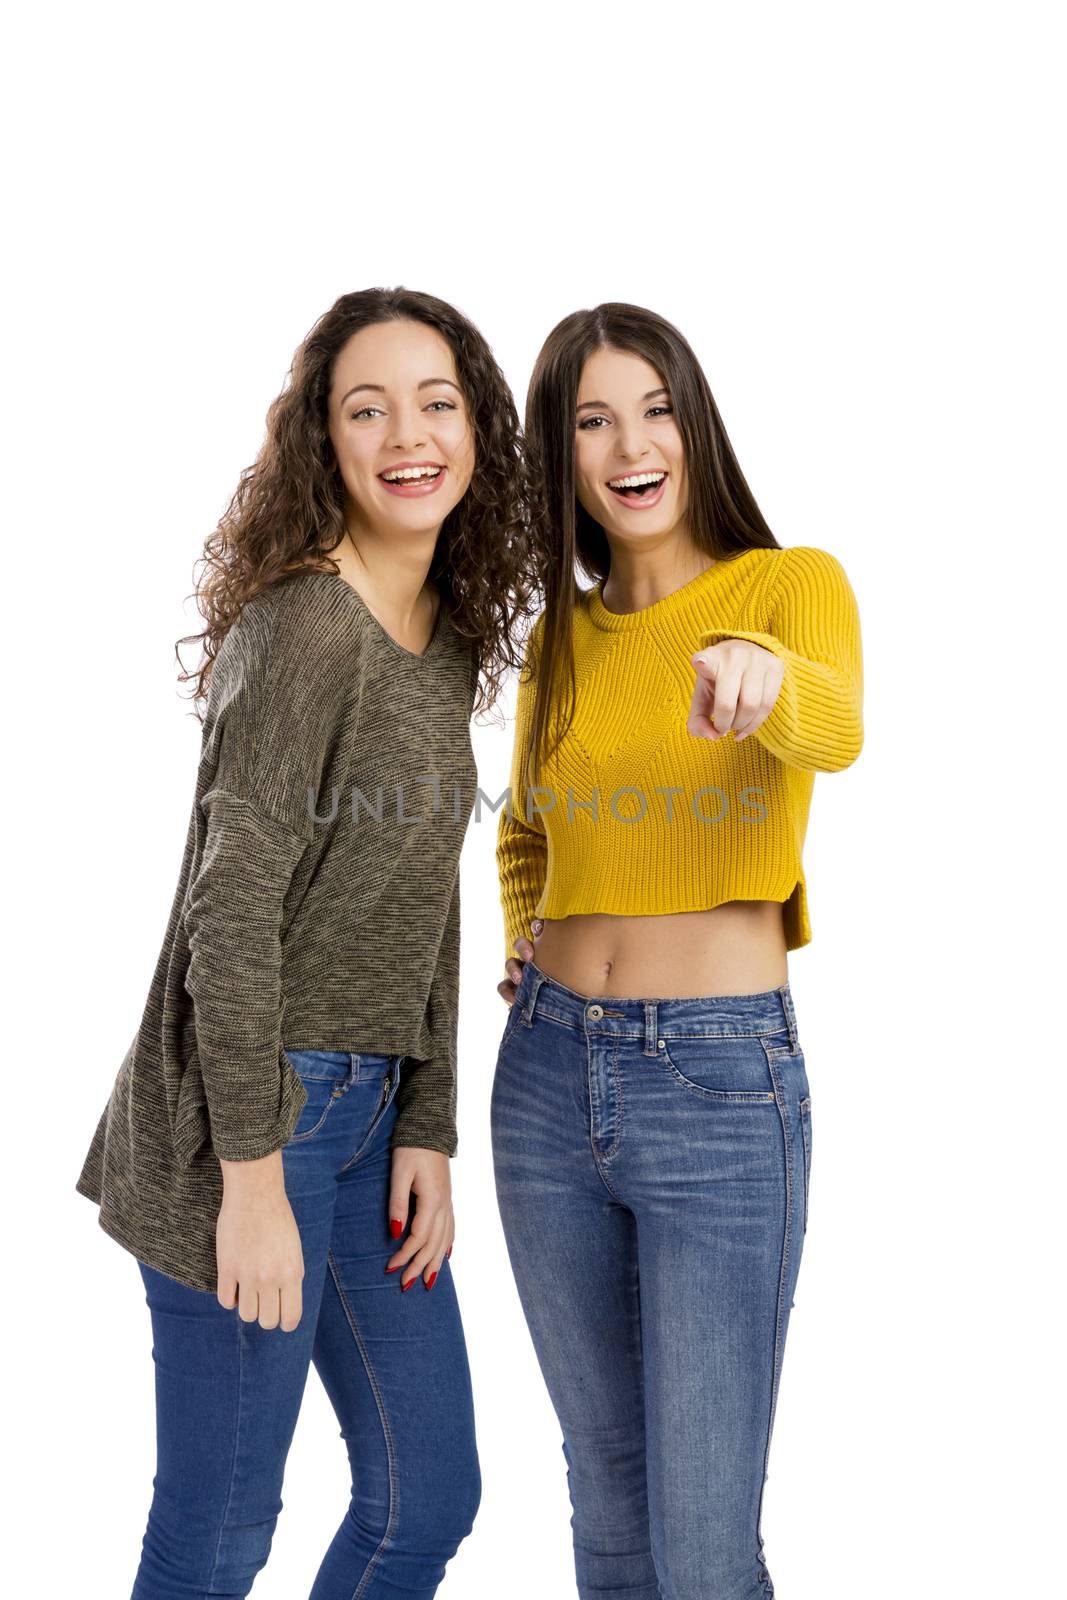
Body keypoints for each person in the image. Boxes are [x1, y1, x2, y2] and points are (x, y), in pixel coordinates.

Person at [75, 286, 533, 1599]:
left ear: (476, 431)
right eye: (366, 406)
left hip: (370, 1127)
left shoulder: (441, 644)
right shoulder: (298, 630)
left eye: (437, 403)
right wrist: (256, 1178)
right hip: (253, 1123)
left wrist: (430, 1125)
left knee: (426, 1494)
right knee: (221, 1528)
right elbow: (230, 913)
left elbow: (422, 899)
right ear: (322, 442)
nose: (408, 434)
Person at [493, 301, 864, 1599]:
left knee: (703, 1547)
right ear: (563, 457)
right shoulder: (559, 644)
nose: (629, 443)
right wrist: (518, 943)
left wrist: (763, 672)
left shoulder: (786, 588)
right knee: (607, 1508)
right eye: (592, 420)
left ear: (694, 424)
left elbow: (834, 726)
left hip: (717, 1087)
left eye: (654, 408)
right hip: (542, 1086)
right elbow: (527, 835)